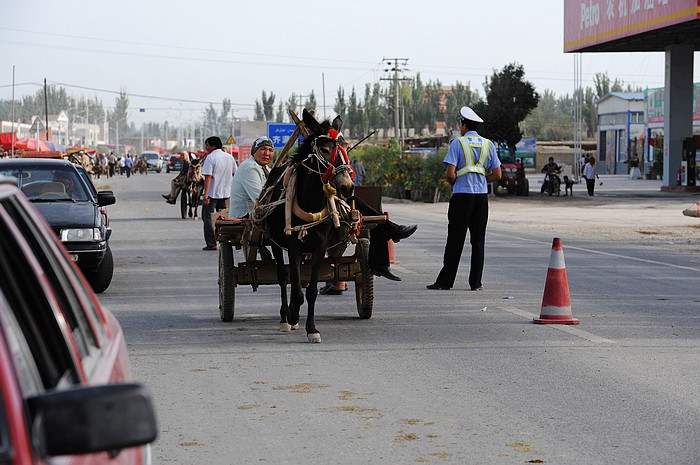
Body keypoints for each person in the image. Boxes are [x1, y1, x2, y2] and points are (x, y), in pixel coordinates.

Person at [427, 106, 502, 291]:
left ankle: (445, 281)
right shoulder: (488, 144)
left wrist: (458, 184)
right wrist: (482, 180)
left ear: (463, 125)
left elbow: (450, 174)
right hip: (481, 198)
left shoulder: (458, 144)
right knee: (478, 240)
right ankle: (476, 283)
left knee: (455, 239)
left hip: (462, 197)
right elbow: (498, 174)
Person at [201, 136, 235, 251]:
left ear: (213, 146)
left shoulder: (210, 158)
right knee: (224, 218)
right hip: (226, 193)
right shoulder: (229, 157)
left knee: (207, 218)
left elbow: (208, 177)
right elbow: (235, 173)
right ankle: (225, 240)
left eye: (207, 145)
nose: (206, 148)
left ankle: (211, 243)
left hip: (212, 194)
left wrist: (205, 195)